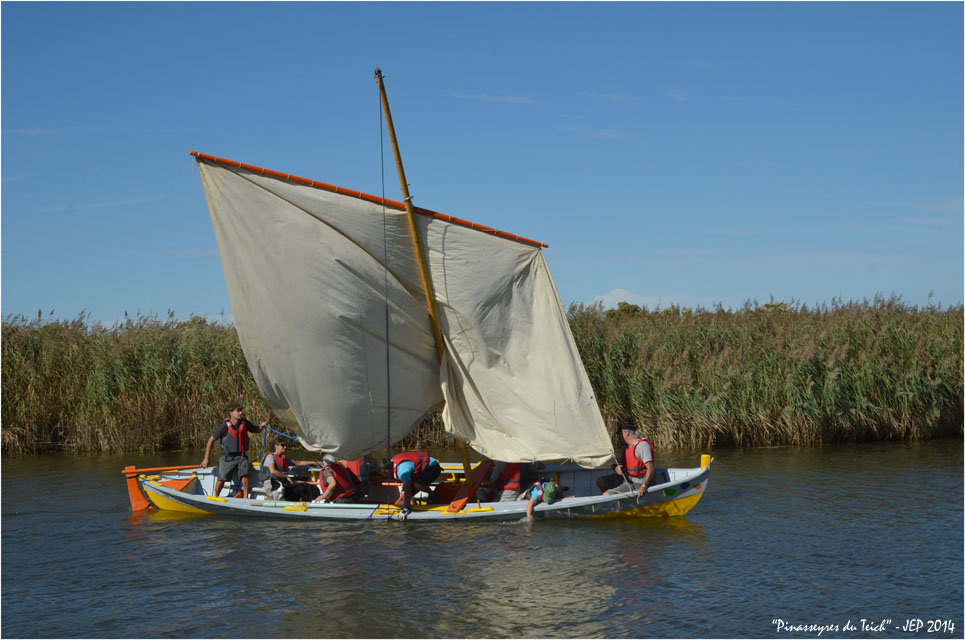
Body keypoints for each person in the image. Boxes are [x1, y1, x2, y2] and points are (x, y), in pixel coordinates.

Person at [199, 402, 269, 499]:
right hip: (227, 457)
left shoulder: (244, 423)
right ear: (231, 413)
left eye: (241, 411)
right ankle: (215, 497)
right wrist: (206, 458)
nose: (241, 413)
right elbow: (211, 439)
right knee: (222, 477)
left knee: (245, 473)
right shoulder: (224, 426)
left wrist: (261, 426)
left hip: (241, 456)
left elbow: (255, 430)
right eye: (238, 411)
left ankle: (245, 497)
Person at [595, 422, 655, 498]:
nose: (618, 436)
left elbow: (650, 468)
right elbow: (615, 463)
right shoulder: (627, 447)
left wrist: (644, 485)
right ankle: (614, 499)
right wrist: (616, 468)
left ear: (627, 433)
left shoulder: (642, 446)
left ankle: (609, 498)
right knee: (600, 481)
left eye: (619, 434)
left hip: (637, 482)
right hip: (626, 478)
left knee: (606, 495)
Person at [391, 451, 443, 516]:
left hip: (432, 467)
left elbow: (407, 489)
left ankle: (432, 494)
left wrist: (405, 508)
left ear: (388, 470)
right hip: (417, 471)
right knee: (403, 494)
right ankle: (414, 507)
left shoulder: (402, 471)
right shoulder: (395, 464)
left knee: (417, 485)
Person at [479, 461, 544, 502]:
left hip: (507, 495)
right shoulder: (526, 461)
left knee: (482, 491)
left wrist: (482, 484)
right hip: (519, 490)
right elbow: (542, 465)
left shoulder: (501, 462)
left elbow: (492, 481)